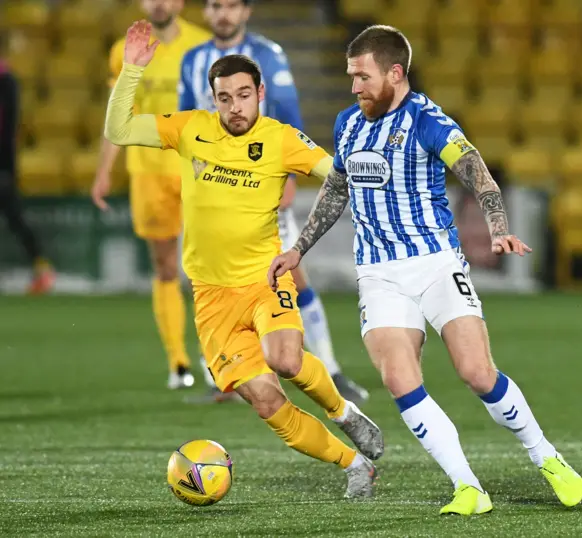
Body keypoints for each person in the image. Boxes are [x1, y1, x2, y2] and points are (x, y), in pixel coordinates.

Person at [268, 25, 582, 515]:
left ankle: (546, 455)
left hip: (436, 263)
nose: (355, 87)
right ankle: (468, 488)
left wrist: (498, 225)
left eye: (363, 76)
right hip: (378, 272)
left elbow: (478, 173)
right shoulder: (348, 124)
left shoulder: (427, 120)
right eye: (351, 76)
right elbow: (336, 190)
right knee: (399, 378)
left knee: (477, 373)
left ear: (396, 73)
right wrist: (300, 249)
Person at [104, 21, 383, 498]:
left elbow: (337, 176)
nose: (234, 106)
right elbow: (120, 128)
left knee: (286, 360)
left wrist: (373, 180)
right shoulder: (191, 128)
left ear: (259, 94)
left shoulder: (280, 139)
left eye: (243, 95)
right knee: (265, 401)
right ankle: (355, 464)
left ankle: (344, 413)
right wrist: (133, 69)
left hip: (264, 278)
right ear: (214, 98)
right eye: (224, 97)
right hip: (211, 298)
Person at [179, 0, 368, 404]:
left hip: (258, 185)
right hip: (211, 192)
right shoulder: (192, 60)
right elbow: (182, 123)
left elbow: (289, 119)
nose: (223, 13)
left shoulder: (268, 55)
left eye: (231, 5)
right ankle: (222, 372)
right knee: (209, 277)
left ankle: (331, 369)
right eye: (215, 5)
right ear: (207, 13)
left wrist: (287, 177)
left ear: (245, 11)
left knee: (293, 277)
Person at [91, 0, 211, 390]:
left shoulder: (203, 46)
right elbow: (119, 112)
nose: (159, 3)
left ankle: (215, 356)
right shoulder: (125, 48)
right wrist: (104, 171)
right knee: (164, 267)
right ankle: (178, 362)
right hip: (147, 172)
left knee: (208, 267)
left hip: (197, 169)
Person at [0, 56, 55, 294]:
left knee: (15, 217)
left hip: (1, 163)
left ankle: (42, 269)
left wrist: (7, 168)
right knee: (15, 218)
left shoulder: (6, 81)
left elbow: (8, 128)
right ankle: (42, 268)